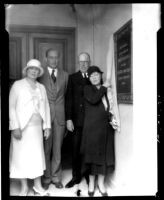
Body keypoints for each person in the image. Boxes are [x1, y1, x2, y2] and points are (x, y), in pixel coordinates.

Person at [9, 59, 51, 196]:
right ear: (26, 70)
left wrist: (47, 127)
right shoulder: (17, 85)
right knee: (21, 157)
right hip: (21, 129)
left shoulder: (41, 87)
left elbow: (45, 108)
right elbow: (11, 107)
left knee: (36, 157)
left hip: (36, 129)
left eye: (36, 70)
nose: (34, 71)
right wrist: (14, 126)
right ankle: (24, 187)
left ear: (39, 72)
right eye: (31, 69)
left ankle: (38, 186)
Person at [80, 66, 115, 197]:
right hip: (92, 130)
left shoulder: (107, 90)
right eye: (91, 76)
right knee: (91, 157)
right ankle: (91, 184)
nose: (94, 77)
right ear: (89, 79)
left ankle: (101, 184)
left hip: (105, 129)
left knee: (103, 157)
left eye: (96, 75)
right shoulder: (87, 89)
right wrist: (104, 87)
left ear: (101, 76)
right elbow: (94, 99)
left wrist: (113, 118)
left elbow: (110, 106)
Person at [38, 49, 68, 189]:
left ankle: (56, 177)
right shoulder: (40, 74)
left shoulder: (65, 76)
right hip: (44, 117)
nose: (54, 60)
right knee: (46, 148)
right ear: (46, 59)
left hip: (60, 117)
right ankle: (46, 177)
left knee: (57, 149)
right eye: (51, 57)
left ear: (59, 58)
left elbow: (66, 96)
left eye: (56, 57)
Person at [65, 52, 91, 188]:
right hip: (76, 121)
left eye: (86, 61)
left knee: (89, 149)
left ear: (89, 62)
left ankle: (88, 175)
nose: (83, 64)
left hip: (91, 121)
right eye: (81, 61)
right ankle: (76, 177)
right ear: (78, 63)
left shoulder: (95, 76)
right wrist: (68, 119)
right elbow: (69, 99)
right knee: (75, 149)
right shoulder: (72, 78)